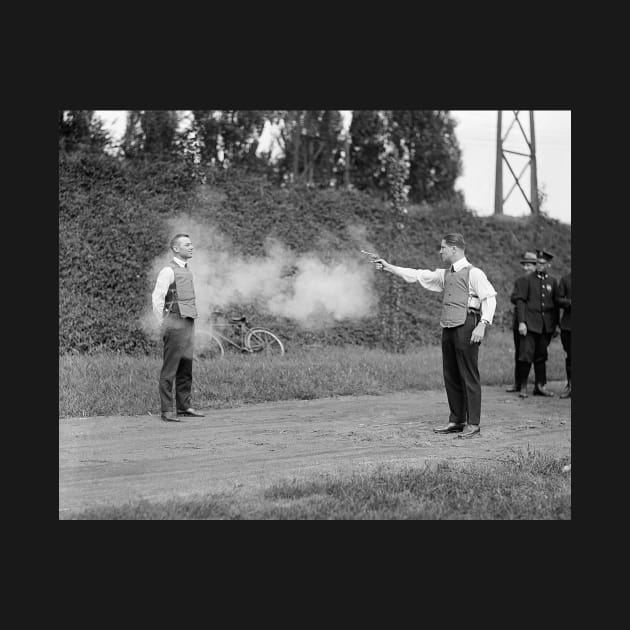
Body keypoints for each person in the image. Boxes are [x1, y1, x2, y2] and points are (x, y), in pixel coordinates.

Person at [372, 233, 497, 438]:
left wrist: (482, 325)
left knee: (469, 375)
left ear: (454, 249)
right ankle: (457, 420)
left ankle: (473, 423)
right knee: (451, 375)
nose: (440, 251)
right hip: (448, 326)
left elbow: (489, 299)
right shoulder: (445, 274)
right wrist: (388, 267)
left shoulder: (474, 273)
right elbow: (418, 275)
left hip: (467, 325)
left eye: (443, 248)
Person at [151, 233, 205, 422]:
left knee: (186, 366)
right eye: (187, 244)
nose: (191, 247)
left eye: (191, 244)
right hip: (174, 321)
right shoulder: (168, 270)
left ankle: (184, 406)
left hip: (189, 320)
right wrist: (164, 323)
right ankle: (167, 410)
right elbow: (157, 298)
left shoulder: (188, 271)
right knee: (170, 368)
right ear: (176, 248)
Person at [511, 249, 559, 398]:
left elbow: (555, 306)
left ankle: (540, 386)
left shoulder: (552, 281)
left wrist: (555, 325)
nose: (539, 265)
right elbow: (521, 302)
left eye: (543, 263)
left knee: (541, 356)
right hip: (530, 324)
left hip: (546, 326)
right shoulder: (527, 280)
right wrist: (522, 322)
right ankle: (523, 386)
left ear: (549, 265)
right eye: (537, 263)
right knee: (525, 355)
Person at [506, 251, 538, 393]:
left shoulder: (539, 282)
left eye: (529, 265)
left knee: (530, 354)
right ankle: (518, 383)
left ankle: (534, 384)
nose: (526, 268)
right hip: (519, 321)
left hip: (534, 323)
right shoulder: (520, 281)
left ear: (536, 266)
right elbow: (514, 297)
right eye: (525, 265)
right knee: (519, 352)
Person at [556, 271, 571, 398]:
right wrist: (570, 303)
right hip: (568, 326)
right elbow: (558, 299)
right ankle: (570, 386)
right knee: (570, 357)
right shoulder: (565, 279)